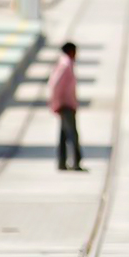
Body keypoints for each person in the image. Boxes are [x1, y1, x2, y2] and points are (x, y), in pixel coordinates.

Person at [47, 42, 83, 171]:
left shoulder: (64, 63)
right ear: (71, 51)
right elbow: (56, 84)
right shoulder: (65, 64)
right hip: (66, 105)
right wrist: (58, 103)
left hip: (65, 103)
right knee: (72, 134)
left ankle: (62, 162)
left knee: (63, 135)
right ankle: (76, 163)